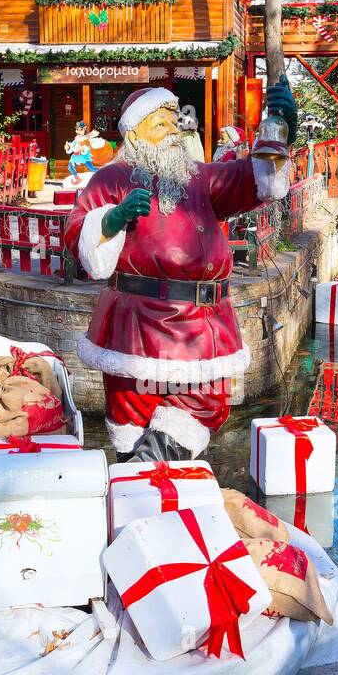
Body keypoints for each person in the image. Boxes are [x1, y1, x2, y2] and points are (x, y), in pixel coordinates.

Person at [63, 80, 298, 461]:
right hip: (138, 326)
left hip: (202, 324)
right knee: (131, 412)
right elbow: (79, 236)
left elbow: (257, 182)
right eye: (161, 124)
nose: (173, 131)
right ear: (134, 135)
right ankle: (144, 485)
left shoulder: (200, 178)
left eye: (174, 124)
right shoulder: (111, 179)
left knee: (206, 404)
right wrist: (114, 218)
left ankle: (143, 478)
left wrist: (279, 125)